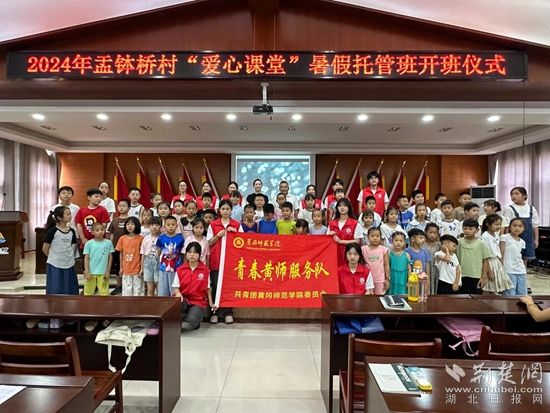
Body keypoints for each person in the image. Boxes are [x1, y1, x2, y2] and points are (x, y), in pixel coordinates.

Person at [207, 200, 242, 324]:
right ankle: (214, 312)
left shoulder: (236, 224)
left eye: (228, 209)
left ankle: (228, 313)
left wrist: (235, 234)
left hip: (230, 261)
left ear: (231, 210)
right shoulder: (213, 224)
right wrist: (218, 235)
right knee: (216, 286)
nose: (225, 211)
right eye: (223, 209)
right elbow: (209, 242)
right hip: (216, 260)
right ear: (219, 210)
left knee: (228, 288)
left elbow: (242, 242)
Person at [173, 242, 215, 331]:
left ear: (199, 255)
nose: (192, 255)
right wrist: (178, 293)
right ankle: (180, 321)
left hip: (198, 302)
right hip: (183, 300)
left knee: (187, 325)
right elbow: (176, 287)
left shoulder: (205, 271)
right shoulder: (180, 270)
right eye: (189, 252)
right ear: (186, 254)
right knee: (176, 304)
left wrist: (211, 303)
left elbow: (208, 288)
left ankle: (192, 321)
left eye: (195, 252)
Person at [43, 206, 79, 295]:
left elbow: (73, 247)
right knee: (56, 289)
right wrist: (54, 257)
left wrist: (69, 258)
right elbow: (45, 248)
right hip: (55, 264)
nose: (70, 216)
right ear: (59, 217)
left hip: (69, 263)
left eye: (70, 214)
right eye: (68, 214)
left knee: (70, 289)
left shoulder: (72, 231)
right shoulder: (52, 231)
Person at [502, 186, 540, 264]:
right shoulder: (509, 208)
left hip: (528, 238)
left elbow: (535, 226)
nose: (513, 196)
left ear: (525, 196)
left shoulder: (531, 208)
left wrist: (536, 239)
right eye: (512, 194)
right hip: (514, 238)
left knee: (525, 260)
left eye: (516, 194)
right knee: (514, 259)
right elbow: (506, 226)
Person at [480, 214, 513, 294]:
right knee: (488, 285)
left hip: (496, 261)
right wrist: (488, 271)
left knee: (494, 285)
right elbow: (485, 253)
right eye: (496, 224)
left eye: (500, 224)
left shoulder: (496, 234)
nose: (499, 226)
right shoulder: (485, 236)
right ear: (488, 225)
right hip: (489, 261)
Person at [457, 219, 490, 294]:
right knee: (461, 297)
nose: (467, 231)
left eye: (470, 229)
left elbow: (485, 260)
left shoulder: (481, 243)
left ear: (477, 230)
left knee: (475, 297)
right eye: (465, 228)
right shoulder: (459, 242)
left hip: (476, 276)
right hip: (461, 275)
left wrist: (484, 276)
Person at [328, 198, 362, 267]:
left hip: (350, 256)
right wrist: (329, 236)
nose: (342, 207)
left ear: (349, 208)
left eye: (344, 205)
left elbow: (357, 241)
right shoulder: (332, 224)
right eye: (340, 206)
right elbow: (326, 241)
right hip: (334, 255)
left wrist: (340, 241)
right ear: (337, 208)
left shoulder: (355, 223)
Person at [156, 216, 185, 296]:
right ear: (164, 226)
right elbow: (158, 252)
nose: (171, 226)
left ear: (176, 226)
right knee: (163, 291)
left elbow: (182, 253)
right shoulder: (161, 238)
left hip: (176, 268)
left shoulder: (180, 239)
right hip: (163, 268)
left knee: (174, 291)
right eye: (168, 225)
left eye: (173, 224)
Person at [83, 222, 114, 296]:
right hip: (91, 272)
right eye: (97, 230)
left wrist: (108, 271)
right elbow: (86, 258)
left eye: (102, 230)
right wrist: (87, 271)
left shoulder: (108, 243)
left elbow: (110, 258)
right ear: (92, 232)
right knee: (88, 292)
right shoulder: (89, 243)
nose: (100, 232)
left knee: (104, 293)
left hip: (103, 271)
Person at [116, 217, 144, 296]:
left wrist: (142, 268)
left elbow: (143, 255)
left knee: (138, 291)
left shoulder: (141, 239)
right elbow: (121, 254)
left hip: (137, 270)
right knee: (127, 291)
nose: (130, 226)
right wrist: (121, 268)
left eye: (132, 224)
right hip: (126, 269)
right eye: (128, 224)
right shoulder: (122, 238)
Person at [500, 218, 528, 296]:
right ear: (510, 227)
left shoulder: (522, 242)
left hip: (521, 270)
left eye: (520, 226)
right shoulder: (504, 237)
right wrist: (501, 268)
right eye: (514, 225)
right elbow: (501, 253)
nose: (517, 228)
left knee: (522, 294)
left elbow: (520, 256)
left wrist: (524, 268)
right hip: (509, 270)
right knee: (509, 294)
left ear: (524, 228)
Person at [107, 199, 130, 295]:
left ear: (129, 208)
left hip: (129, 248)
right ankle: (119, 286)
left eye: (124, 206)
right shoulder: (115, 221)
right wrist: (111, 246)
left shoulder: (131, 220)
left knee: (128, 266)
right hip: (116, 248)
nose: (121, 208)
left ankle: (127, 285)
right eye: (120, 206)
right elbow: (111, 234)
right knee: (117, 267)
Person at [361, 227, 390, 295]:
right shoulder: (363, 249)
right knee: (368, 297)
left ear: (380, 237)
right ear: (368, 237)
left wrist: (387, 279)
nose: (375, 238)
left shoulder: (384, 249)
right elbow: (361, 265)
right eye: (372, 236)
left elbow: (386, 264)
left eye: (377, 236)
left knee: (379, 297)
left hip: (380, 280)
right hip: (367, 279)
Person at [141, 216, 162, 297]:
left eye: (157, 225)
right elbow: (143, 254)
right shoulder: (146, 238)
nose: (154, 227)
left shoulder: (162, 238)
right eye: (152, 225)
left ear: (161, 226)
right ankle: (150, 304)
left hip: (159, 264)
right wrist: (142, 268)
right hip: (148, 264)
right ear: (149, 226)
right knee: (150, 290)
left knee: (160, 289)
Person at [424, 222, 441, 294]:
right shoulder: (422, 245)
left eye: (435, 233)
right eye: (430, 232)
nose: (432, 235)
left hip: (435, 270)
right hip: (425, 269)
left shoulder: (439, 245)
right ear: (425, 232)